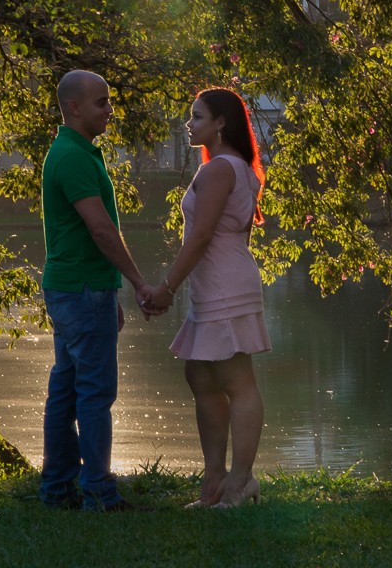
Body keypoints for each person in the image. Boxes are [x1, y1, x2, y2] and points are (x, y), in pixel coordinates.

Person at [144, 87, 270, 508]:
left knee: (237, 380)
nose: (189, 123)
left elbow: (200, 237)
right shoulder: (238, 167)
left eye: (197, 116)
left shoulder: (219, 169)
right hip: (220, 282)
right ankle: (214, 480)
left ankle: (239, 482)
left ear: (220, 122)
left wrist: (167, 287)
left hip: (225, 285)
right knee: (200, 375)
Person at [38, 70, 154, 512]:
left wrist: (112, 293)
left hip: (80, 289)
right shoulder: (71, 157)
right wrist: (139, 282)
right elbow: (101, 230)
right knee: (94, 393)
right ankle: (99, 494)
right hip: (81, 291)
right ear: (74, 107)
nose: (110, 110)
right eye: (101, 102)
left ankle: (56, 489)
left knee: (66, 389)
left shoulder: (77, 152)